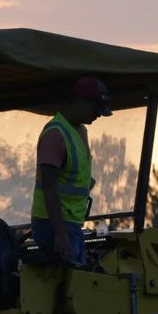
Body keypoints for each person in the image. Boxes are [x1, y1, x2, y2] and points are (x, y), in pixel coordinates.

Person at [32, 77, 107, 267]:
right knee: (69, 288)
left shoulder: (80, 131)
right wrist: (60, 234)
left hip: (71, 224)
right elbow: (49, 187)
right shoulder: (55, 135)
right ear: (80, 101)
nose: (98, 115)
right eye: (96, 109)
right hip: (53, 225)